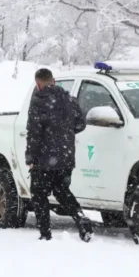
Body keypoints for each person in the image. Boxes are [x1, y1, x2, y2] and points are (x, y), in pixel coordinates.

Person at [25, 68, 92, 242]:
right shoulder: (69, 99)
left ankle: (45, 233)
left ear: (38, 84)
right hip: (66, 156)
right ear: (53, 81)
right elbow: (81, 124)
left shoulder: (38, 102)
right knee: (62, 191)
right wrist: (65, 135)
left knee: (39, 194)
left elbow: (34, 133)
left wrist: (30, 157)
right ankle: (80, 218)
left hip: (44, 158)